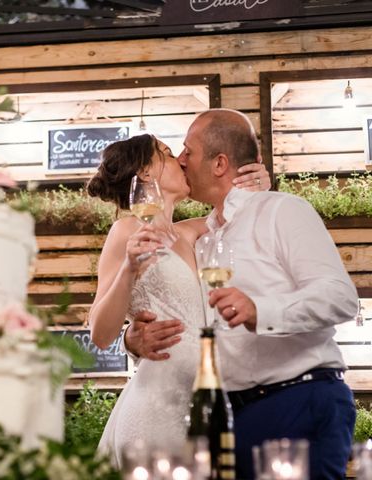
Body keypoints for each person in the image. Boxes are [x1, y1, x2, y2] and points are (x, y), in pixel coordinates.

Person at [124, 109, 358, 479]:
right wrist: (132, 338)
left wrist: (260, 310)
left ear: (219, 164)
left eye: (188, 150)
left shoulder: (282, 210)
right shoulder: (204, 237)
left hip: (297, 399)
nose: (181, 160)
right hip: (228, 415)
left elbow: (340, 297)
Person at [86, 132, 271, 467]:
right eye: (168, 153)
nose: (180, 161)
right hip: (156, 404)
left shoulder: (194, 233)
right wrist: (128, 269)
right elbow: (99, 333)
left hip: (202, 403)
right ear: (144, 173)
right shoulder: (126, 231)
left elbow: (244, 208)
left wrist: (258, 182)